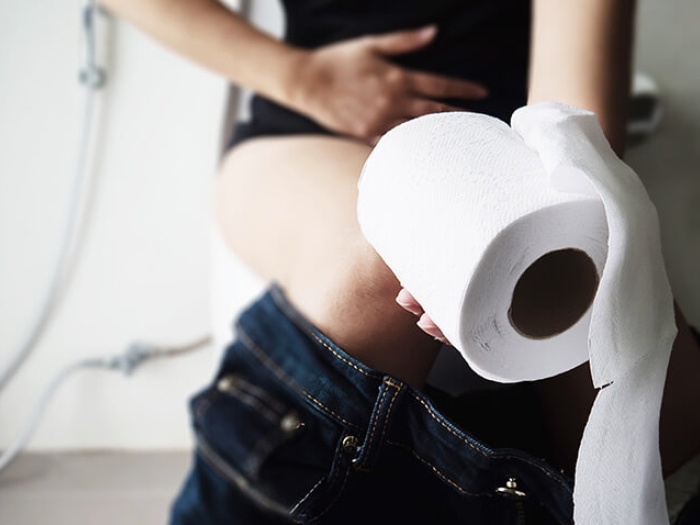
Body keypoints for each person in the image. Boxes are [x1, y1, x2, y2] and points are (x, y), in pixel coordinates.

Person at [98, 0, 700, 523]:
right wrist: (302, 78)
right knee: (377, 265)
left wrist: (487, 225)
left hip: (519, 164)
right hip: (315, 129)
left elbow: (574, 113)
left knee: (644, 405)